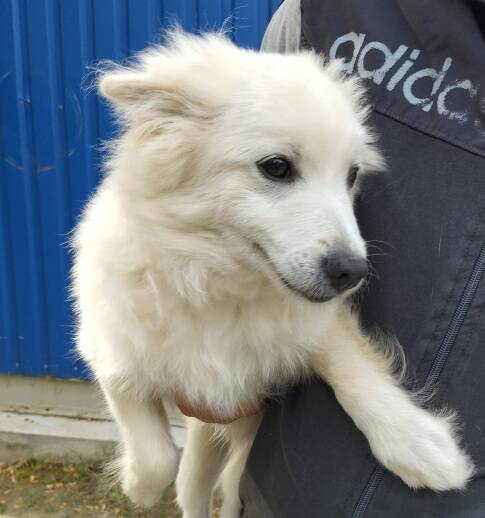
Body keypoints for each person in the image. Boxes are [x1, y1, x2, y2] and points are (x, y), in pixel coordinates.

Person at [178, 1, 485, 516]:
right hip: (281, 487)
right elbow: (210, 192)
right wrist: (192, 341)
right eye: (280, 167)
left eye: (351, 176)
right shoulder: (321, 12)